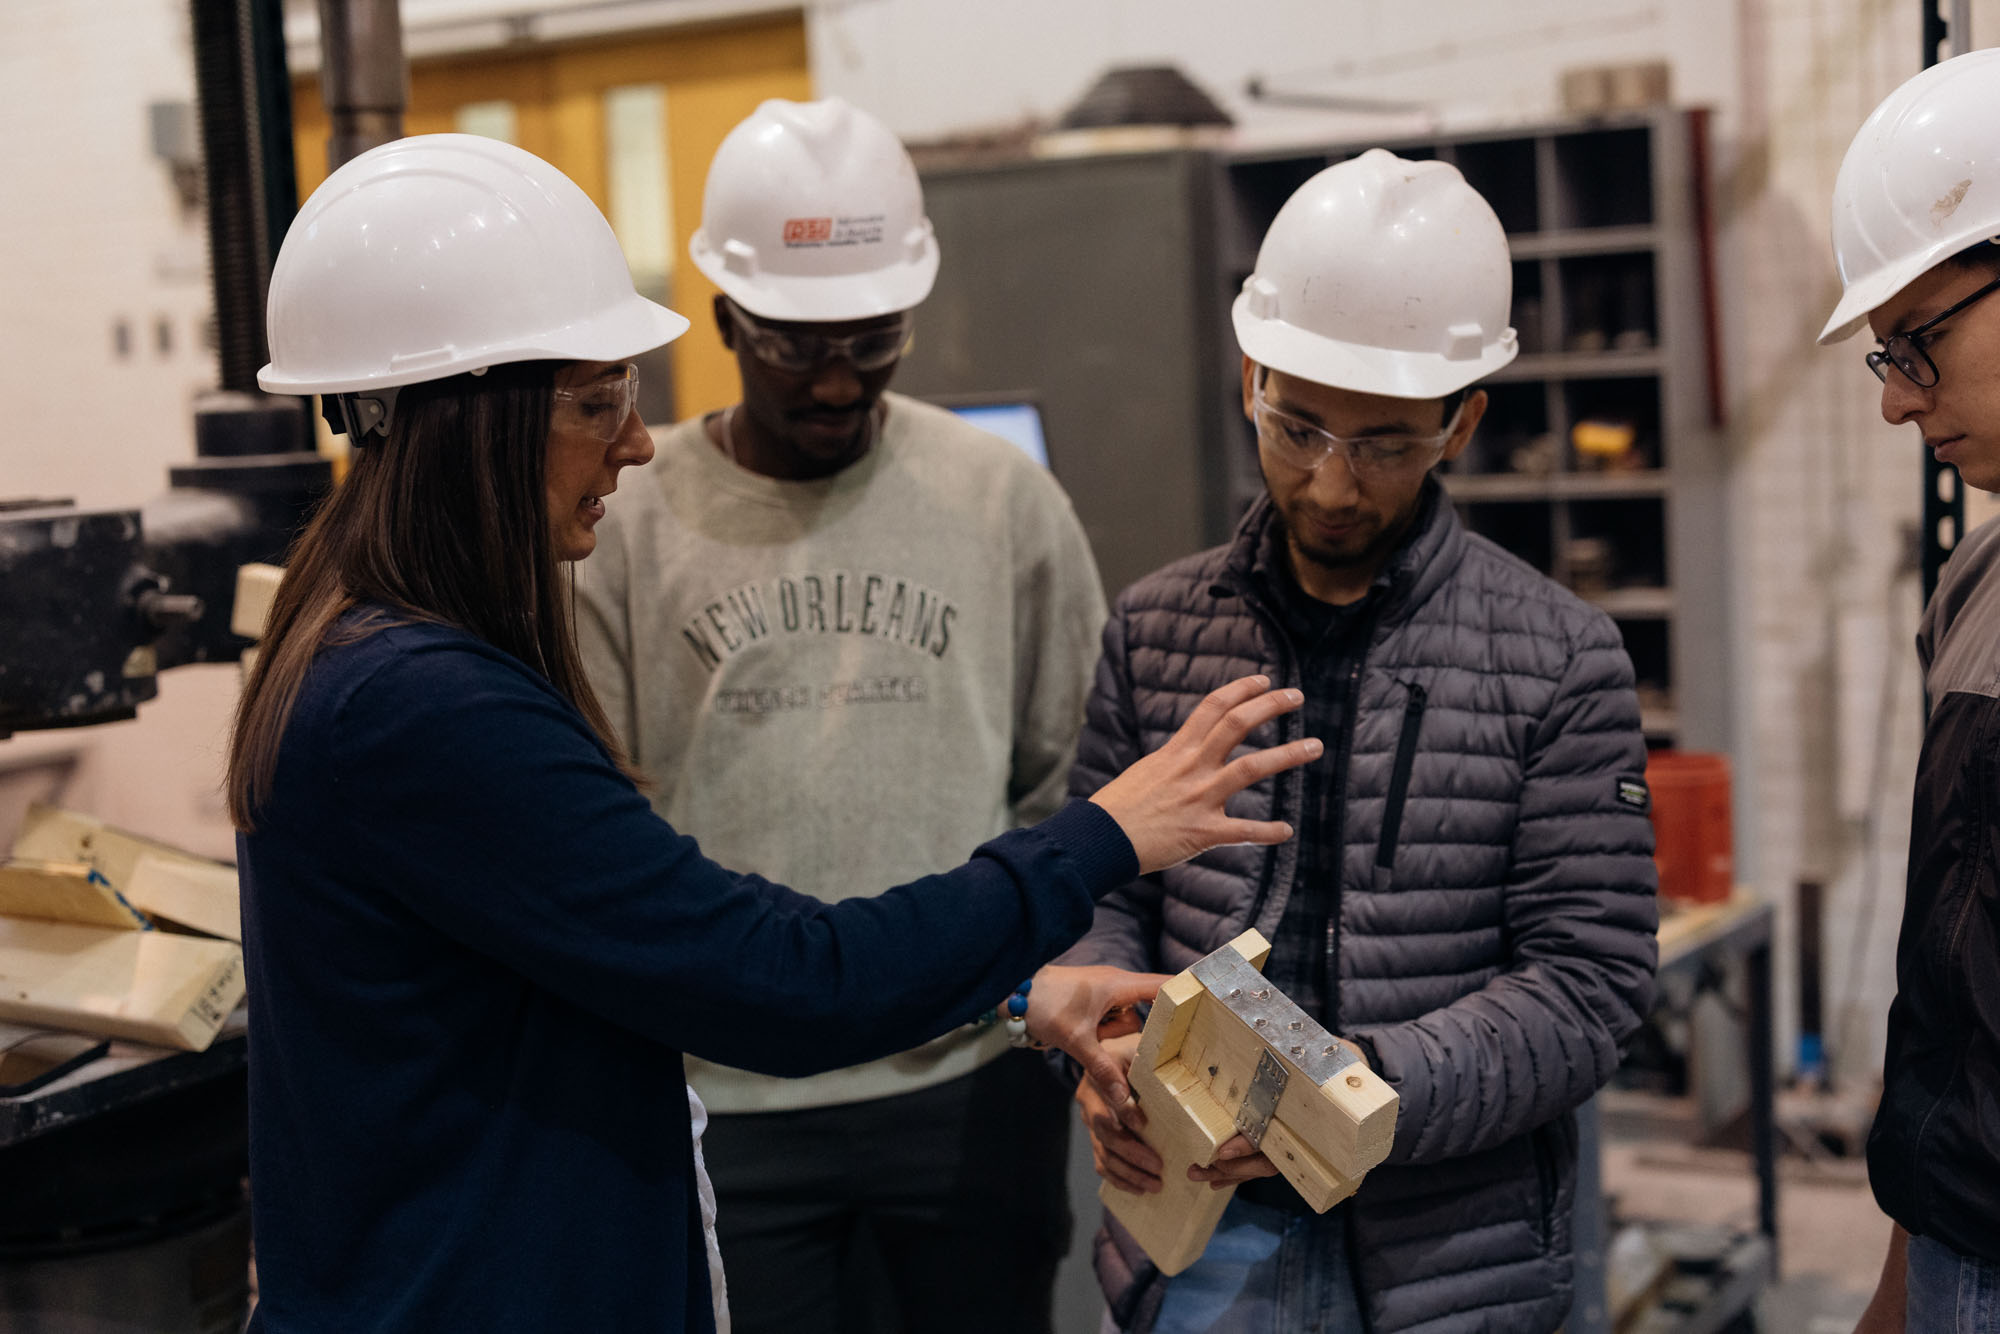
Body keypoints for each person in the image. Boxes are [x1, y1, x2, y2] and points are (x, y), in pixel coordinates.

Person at [228, 132, 1318, 1334]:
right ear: (464, 423)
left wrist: (1018, 988)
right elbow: (786, 980)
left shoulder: (364, 650)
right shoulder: (420, 706)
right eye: (598, 402)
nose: (635, 442)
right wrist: (1100, 838)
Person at [1053, 149, 1661, 1334]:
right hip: (1197, 1236)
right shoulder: (1156, 627)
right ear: (1248, 380)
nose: (1331, 482)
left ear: (1462, 421)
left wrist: (1346, 1093)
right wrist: (1105, 1036)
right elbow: (1100, 891)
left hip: (1446, 1255)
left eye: (1382, 442)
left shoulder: (1556, 656)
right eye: (1296, 427)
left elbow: (1588, 987)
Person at [574, 96, 1109, 1334]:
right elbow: (605, 828)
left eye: (869, 343)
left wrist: (1028, 987)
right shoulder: (626, 530)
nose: (831, 379)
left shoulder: (1001, 500)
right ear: (723, 321)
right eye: (793, 344)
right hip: (725, 1101)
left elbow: (1070, 779)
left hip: (969, 1086)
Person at [1817, 49, 2000, 1334]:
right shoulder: (1974, 581)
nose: (1892, 402)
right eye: (1881, 354)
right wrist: (1901, 1271)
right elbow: (1948, 995)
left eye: (1915, 344)